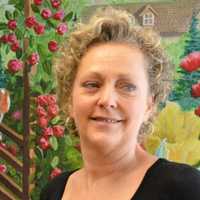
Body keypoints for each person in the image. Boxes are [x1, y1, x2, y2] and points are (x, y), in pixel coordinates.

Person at [40, 7, 200, 200]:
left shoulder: (185, 189)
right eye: (92, 84)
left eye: (127, 87)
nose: (107, 100)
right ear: (69, 99)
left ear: (150, 105)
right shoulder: (54, 192)